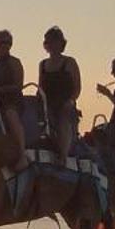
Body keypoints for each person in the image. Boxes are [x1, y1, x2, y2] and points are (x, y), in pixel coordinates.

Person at [37, 26, 82, 161]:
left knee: (63, 118)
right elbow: (40, 86)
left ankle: (63, 156)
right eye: (48, 41)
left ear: (61, 43)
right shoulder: (43, 64)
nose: (51, 44)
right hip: (47, 104)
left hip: (65, 103)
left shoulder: (69, 62)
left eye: (54, 41)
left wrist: (71, 101)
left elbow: (77, 87)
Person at [0, 29, 25, 144]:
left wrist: (0, 90)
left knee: (11, 115)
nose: (2, 45)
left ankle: (21, 151)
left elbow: (19, 86)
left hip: (12, 99)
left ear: (10, 44)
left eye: (6, 42)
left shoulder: (15, 62)